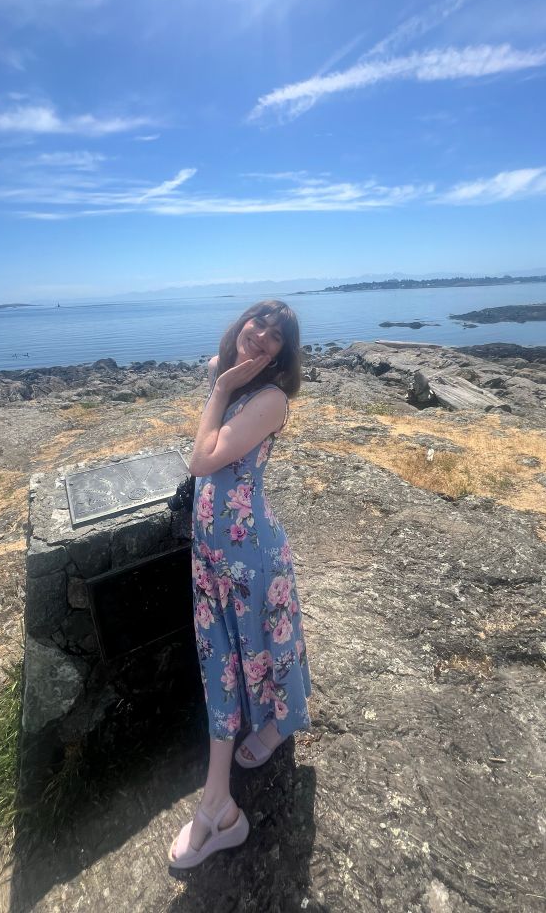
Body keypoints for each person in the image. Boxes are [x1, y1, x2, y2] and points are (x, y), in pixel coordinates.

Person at [169, 300, 312, 870]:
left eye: (277, 338)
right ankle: (226, 786)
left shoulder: (271, 398)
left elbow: (202, 460)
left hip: (249, 553)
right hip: (211, 550)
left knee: (262, 646)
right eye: (259, 326)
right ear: (242, 324)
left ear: (284, 352)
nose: (263, 340)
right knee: (223, 656)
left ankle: (275, 727)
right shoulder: (224, 374)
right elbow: (215, 377)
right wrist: (223, 378)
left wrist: (224, 384)